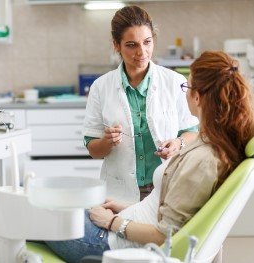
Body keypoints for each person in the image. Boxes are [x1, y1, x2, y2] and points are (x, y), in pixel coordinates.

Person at [45, 51, 254, 263]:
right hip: (123, 223)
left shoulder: (204, 160)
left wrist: (111, 222)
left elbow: (165, 236)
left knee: (33, 210)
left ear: (198, 96)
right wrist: (124, 209)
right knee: (50, 200)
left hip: (112, 242)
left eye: (187, 87)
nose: (185, 92)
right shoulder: (210, 143)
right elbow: (168, 212)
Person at [83, 6, 198, 202]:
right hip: (120, 192)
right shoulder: (101, 87)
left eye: (147, 42)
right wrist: (106, 142)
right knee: (122, 232)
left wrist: (179, 143)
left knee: (162, 233)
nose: (141, 52)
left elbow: (193, 132)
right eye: (131, 45)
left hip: (166, 188)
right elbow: (93, 149)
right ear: (116, 45)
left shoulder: (174, 81)